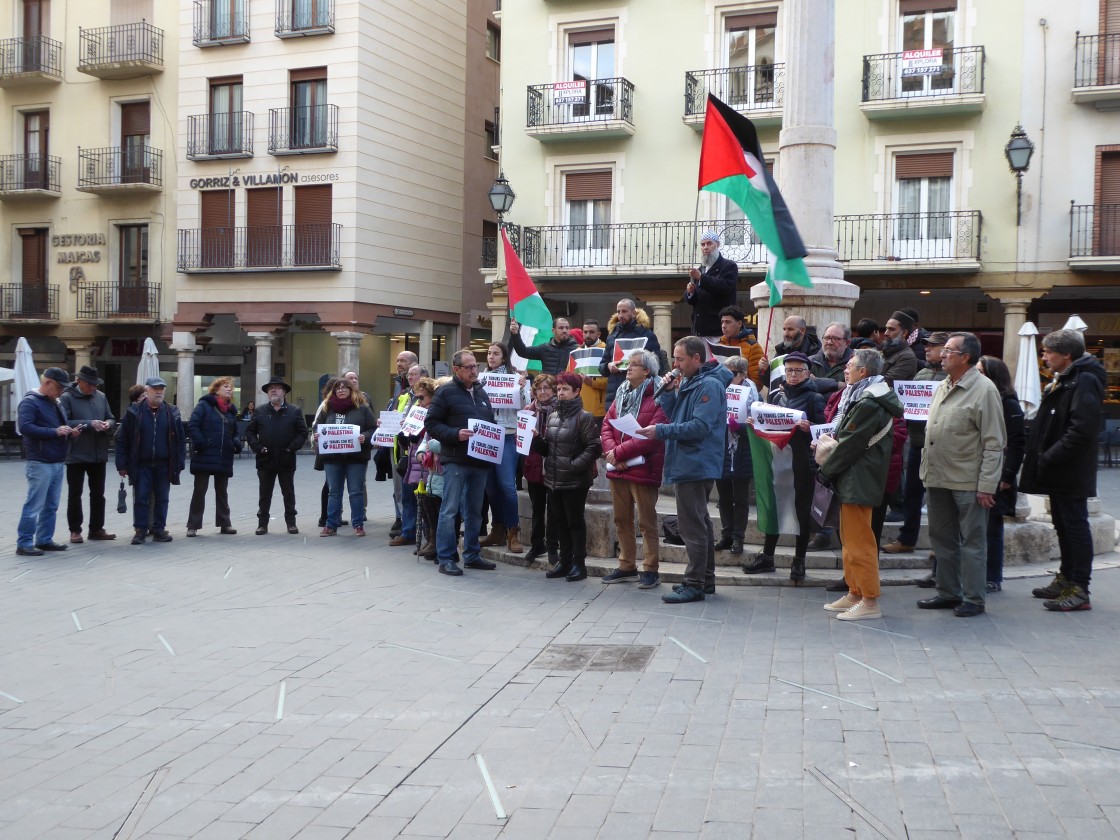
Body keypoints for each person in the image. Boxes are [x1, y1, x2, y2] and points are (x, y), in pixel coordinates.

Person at [917, 332, 1006, 618]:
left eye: (948, 351)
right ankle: (947, 591)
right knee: (941, 538)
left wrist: (987, 485)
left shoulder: (985, 390)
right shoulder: (943, 385)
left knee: (972, 541)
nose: (941, 355)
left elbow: (994, 442)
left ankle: (974, 597)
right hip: (937, 476)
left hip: (968, 480)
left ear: (965, 356)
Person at [637, 336, 731, 604]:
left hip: (696, 463)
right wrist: (667, 394)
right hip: (689, 461)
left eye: (680, 359)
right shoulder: (691, 381)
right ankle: (706, 579)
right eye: (674, 359)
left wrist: (660, 432)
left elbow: (700, 427)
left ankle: (694, 583)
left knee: (691, 526)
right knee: (699, 522)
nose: (675, 364)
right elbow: (678, 414)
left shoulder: (709, 386)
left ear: (697, 358)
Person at [1020, 328, 1105, 612]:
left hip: (1070, 470)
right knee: (1064, 526)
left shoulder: (1085, 380)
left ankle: (1079, 588)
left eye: (1048, 352)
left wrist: (1049, 456)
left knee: (1075, 527)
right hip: (1060, 469)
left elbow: (1082, 429)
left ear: (1066, 354)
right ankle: (1066, 578)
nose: (1044, 358)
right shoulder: (1069, 379)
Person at [818, 348, 904, 621]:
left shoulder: (868, 402)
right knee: (850, 541)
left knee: (860, 542)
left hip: (860, 476)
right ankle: (855, 592)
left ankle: (869, 600)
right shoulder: (862, 396)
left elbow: (850, 444)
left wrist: (826, 469)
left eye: (851, 365)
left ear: (863, 372)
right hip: (854, 476)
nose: (846, 368)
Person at [742, 351, 826, 583]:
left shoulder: (814, 398)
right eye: (789, 370)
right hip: (777, 458)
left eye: (799, 370)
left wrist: (809, 426)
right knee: (775, 506)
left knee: (801, 511)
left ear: (808, 373)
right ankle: (768, 556)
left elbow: (824, 429)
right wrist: (754, 422)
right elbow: (767, 423)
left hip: (802, 462)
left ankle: (799, 560)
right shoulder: (776, 396)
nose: (793, 375)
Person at [424, 349, 499, 576]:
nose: (474, 371)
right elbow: (432, 423)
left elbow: (489, 423)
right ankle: (445, 557)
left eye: (475, 366)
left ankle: (472, 555)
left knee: (475, 511)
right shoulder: (445, 393)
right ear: (456, 370)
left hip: (479, 460)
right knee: (450, 509)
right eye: (469, 367)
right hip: (456, 459)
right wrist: (456, 434)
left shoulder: (481, 392)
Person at [600, 348, 667, 588]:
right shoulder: (622, 392)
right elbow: (607, 424)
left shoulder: (659, 395)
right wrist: (612, 452)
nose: (628, 367)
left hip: (642, 467)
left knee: (647, 522)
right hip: (618, 467)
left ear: (647, 370)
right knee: (621, 519)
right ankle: (626, 564)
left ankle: (651, 569)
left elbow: (652, 436)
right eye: (629, 364)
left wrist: (617, 453)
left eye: (635, 365)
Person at [884, 331, 949, 565]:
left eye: (933, 346)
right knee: (912, 493)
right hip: (918, 441)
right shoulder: (920, 373)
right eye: (927, 346)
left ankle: (939, 544)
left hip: (941, 447)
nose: (928, 349)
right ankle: (907, 538)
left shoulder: (951, 376)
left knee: (937, 498)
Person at [531, 372, 602, 581]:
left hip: (574, 480)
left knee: (574, 522)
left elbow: (594, 447)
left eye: (565, 389)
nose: (561, 393)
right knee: (560, 521)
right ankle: (565, 561)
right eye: (559, 389)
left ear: (577, 392)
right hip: (553, 479)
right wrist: (537, 440)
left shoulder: (584, 417)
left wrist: (574, 465)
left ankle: (579, 564)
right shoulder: (553, 416)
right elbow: (549, 449)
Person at [16, 368, 81, 556]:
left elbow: (59, 427)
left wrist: (70, 432)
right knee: (34, 504)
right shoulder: (30, 402)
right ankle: (25, 542)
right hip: (40, 461)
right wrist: (55, 431)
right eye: (59, 387)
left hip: (57, 460)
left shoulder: (56, 403)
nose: (61, 391)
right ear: (47, 383)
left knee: (51, 505)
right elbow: (25, 427)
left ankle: (44, 539)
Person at [116, 377, 186, 545]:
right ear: (147, 391)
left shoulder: (171, 411)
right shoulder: (134, 411)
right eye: (155, 389)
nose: (159, 392)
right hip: (141, 463)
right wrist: (122, 463)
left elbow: (180, 440)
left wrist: (180, 461)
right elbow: (123, 439)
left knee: (163, 498)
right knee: (141, 497)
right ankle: (140, 530)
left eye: (162, 388)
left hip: (164, 463)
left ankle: (159, 529)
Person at [977, 356, 1026, 593]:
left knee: (993, 527)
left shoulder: (1008, 403)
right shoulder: (982, 397)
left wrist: (1007, 476)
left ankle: (993, 576)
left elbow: (1017, 442)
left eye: (980, 371)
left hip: (998, 474)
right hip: (980, 470)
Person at [479, 342, 530, 553]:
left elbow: (525, 406)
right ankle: (497, 529)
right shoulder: (481, 378)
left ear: (504, 357)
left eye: (496, 353)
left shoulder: (513, 377)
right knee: (490, 487)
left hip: (507, 436)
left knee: (507, 486)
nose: (491, 356)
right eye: (489, 353)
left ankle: (512, 531)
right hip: (486, 435)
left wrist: (521, 388)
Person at [60, 365, 117, 544]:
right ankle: (75, 530)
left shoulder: (101, 397)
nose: (93, 387)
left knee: (98, 494)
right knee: (75, 494)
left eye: (95, 384)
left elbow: (111, 417)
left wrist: (108, 424)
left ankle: (96, 529)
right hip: (76, 453)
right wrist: (89, 423)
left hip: (98, 453)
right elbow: (65, 421)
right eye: (90, 384)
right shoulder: (67, 397)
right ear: (79, 381)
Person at [312, 377, 376, 537]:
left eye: (344, 387)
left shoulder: (362, 408)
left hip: (356, 457)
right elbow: (316, 426)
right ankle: (331, 525)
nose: (341, 390)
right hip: (333, 458)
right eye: (337, 388)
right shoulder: (327, 407)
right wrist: (317, 434)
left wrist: (365, 436)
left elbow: (373, 428)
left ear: (351, 390)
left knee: (356, 491)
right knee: (334, 492)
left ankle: (358, 524)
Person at [247, 376, 308, 535]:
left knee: (288, 493)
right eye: (270, 388)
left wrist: (291, 449)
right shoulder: (260, 411)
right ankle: (262, 524)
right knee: (264, 494)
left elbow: (302, 433)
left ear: (284, 392)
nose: (273, 390)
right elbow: (250, 432)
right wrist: (258, 447)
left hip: (286, 458)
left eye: (277, 387)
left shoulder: (294, 411)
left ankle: (291, 523)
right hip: (265, 459)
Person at [186, 376, 243, 537]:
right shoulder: (204, 405)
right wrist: (201, 443)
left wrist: (236, 444)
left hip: (223, 456)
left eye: (230, 387)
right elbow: (193, 425)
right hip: (205, 455)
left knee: (222, 491)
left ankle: (225, 523)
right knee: (200, 491)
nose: (229, 389)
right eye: (225, 386)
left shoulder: (231, 411)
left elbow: (235, 433)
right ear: (216, 389)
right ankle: (193, 525)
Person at [715, 356, 756, 556]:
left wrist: (739, 427)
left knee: (740, 497)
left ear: (743, 374)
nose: (728, 377)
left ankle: (738, 537)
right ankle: (726, 534)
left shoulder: (753, 395)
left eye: (733, 374)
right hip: (721, 448)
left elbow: (758, 427)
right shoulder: (719, 389)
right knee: (723, 497)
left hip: (743, 450)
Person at [395, 376, 438, 552]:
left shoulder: (434, 413)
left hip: (427, 465)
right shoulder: (417, 410)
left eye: (422, 397)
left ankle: (432, 541)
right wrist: (404, 432)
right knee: (422, 503)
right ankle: (429, 540)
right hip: (416, 462)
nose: (419, 402)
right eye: (417, 397)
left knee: (430, 505)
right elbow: (409, 442)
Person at [600, 298, 662, 409]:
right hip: (614, 395)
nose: (620, 315)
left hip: (639, 394)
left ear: (633, 313)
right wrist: (608, 366)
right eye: (618, 312)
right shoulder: (612, 337)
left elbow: (657, 366)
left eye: (624, 311)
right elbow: (601, 367)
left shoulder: (647, 335)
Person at [523, 374, 559, 565]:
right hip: (534, 463)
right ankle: (537, 544)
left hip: (554, 465)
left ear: (553, 390)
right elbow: (519, 440)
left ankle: (553, 546)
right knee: (537, 507)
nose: (543, 392)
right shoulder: (528, 411)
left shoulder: (561, 410)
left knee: (553, 509)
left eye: (547, 388)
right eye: (539, 389)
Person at [685, 230, 739, 339]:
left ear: (717, 245)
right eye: (703, 244)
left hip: (718, 332)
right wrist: (690, 292)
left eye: (709, 243)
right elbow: (693, 301)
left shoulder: (728, 266)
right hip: (699, 332)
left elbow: (724, 286)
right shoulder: (701, 269)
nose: (706, 247)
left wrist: (701, 277)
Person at [510, 316, 579, 375]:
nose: (564, 330)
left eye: (567, 328)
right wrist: (515, 334)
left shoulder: (577, 349)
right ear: (553, 330)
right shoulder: (545, 348)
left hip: (567, 389)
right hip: (548, 389)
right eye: (561, 328)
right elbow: (523, 351)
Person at [717, 305, 765, 389]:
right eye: (722, 322)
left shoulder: (753, 347)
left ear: (739, 323)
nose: (723, 326)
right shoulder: (719, 344)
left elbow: (757, 382)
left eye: (728, 322)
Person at [808, 322, 853, 395]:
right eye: (826, 338)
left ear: (847, 343)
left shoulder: (855, 365)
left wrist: (817, 381)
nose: (829, 342)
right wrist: (837, 385)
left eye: (835, 339)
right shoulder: (809, 362)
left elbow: (851, 389)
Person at [579, 318, 608, 424]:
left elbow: (612, 381)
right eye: (585, 332)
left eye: (591, 332)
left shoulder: (606, 351)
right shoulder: (577, 352)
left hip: (598, 410)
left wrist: (592, 382)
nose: (587, 335)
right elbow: (569, 378)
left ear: (599, 334)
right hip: (578, 409)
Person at [880, 311, 919, 385]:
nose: (886, 333)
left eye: (891, 329)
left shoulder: (907, 357)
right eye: (886, 329)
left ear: (904, 333)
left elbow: (886, 382)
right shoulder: (885, 351)